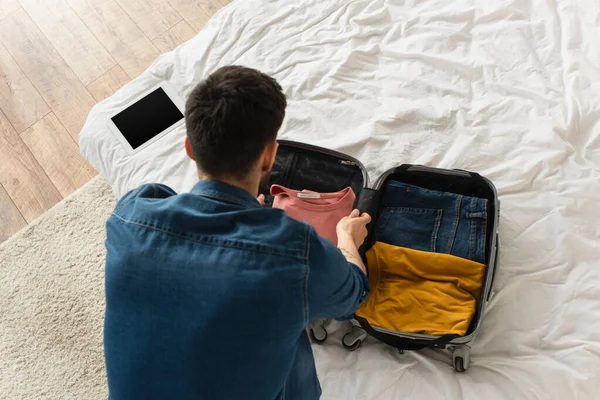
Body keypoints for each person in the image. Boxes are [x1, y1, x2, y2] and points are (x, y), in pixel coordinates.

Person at [104, 65, 371, 400]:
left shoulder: (131, 213)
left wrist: (244, 214)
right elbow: (352, 296)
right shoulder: (295, 253)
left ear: (189, 148)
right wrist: (347, 238)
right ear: (270, 156)